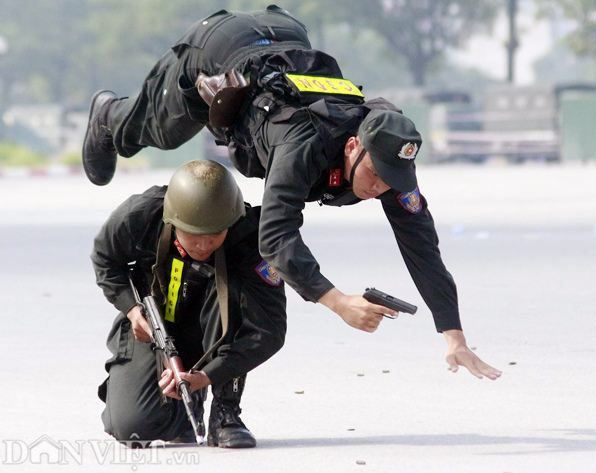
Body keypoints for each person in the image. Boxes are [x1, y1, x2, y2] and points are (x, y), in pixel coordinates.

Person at [84, 6, 501, 380]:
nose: (379, 188)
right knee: (161, 130)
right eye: (374, 175)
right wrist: (338, 301)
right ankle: (106, 117)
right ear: (353, 145)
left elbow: (422, 246)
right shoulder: (302, 143)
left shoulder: (387, 152)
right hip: (221, 47)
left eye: (391, 181)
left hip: (285, 37)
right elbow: (276, 235)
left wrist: (453, 334)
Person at [92, 159, 287, 448]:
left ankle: (225, 415)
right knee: (132, 427)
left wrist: (207, 376)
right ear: (172, 219)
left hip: (215, 331)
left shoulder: (251, 239)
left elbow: (268, 331)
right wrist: (133, 310)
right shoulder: (142, 215)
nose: (204, 245)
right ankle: (184, 409)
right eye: (194, 235)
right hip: (152, 324)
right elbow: (106, 260)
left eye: (215, 235)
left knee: (233, 293)